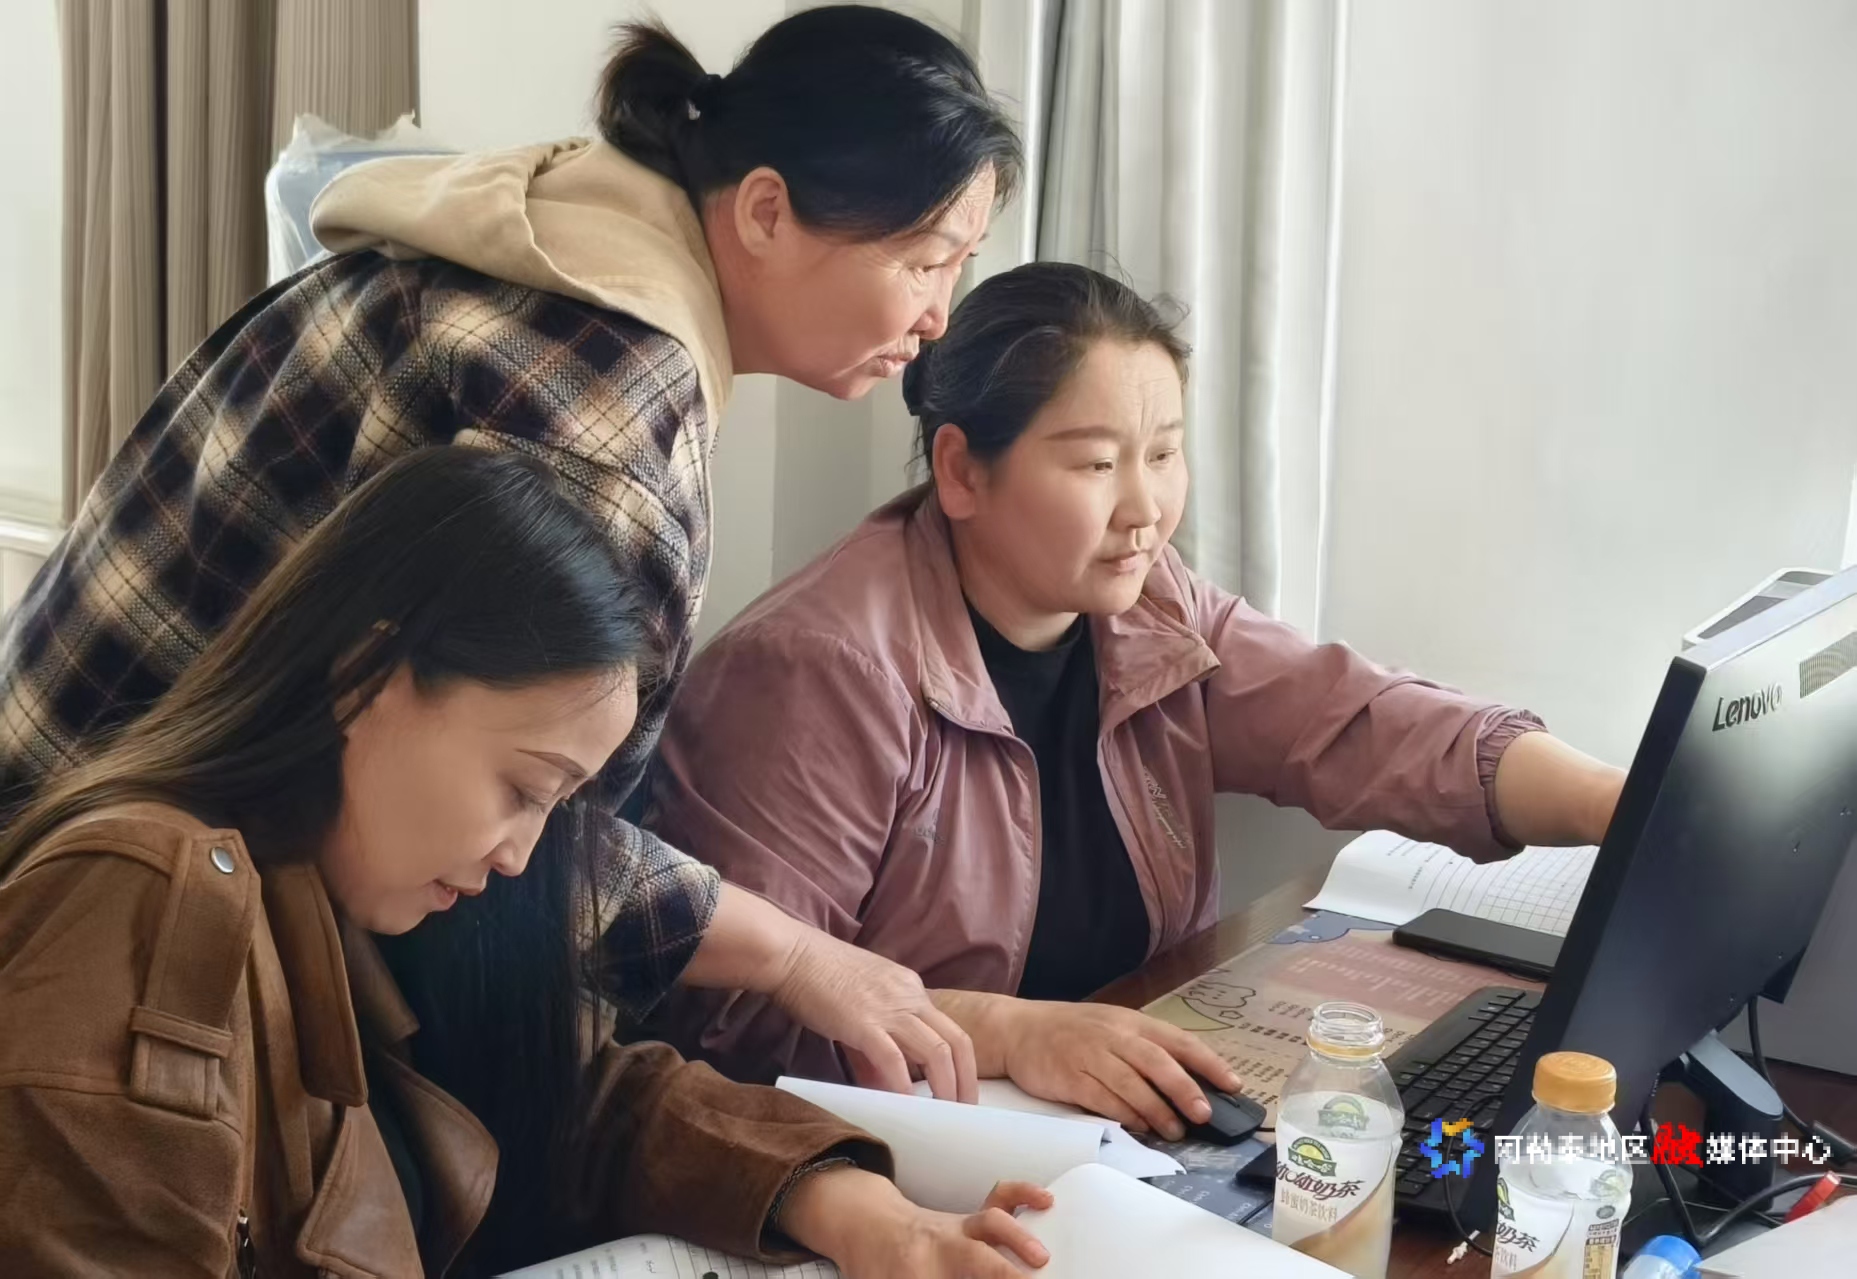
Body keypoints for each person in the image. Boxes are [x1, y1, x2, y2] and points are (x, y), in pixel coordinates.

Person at [0, 6, 1022, 1099]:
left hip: (55, 808)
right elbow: (513, 835)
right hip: (117, 945)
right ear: (765, 210)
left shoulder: (538, 224)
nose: (938, 318)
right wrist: (794, 956)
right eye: (924, 262)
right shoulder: (602, 418)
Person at [0, 449, 1054, 1279]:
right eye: (521, 786)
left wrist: (866, 1214)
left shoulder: (357, 891)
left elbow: (587, 1099)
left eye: (558, 806)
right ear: (366, 675)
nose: (521, 854)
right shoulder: (145, 903)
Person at [643, 262, 1627, 1140]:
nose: (1146, 508)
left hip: (1104, 1125)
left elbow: (1359, 720)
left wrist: (1609, 802)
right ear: (961, 471)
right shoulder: (820, 669)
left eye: (1162, 454)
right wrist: (1010, 1033)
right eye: (1096, 463)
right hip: (889, 1161)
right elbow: (731, 1018)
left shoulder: (1152, 606)